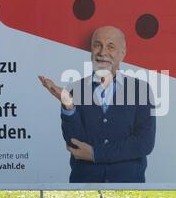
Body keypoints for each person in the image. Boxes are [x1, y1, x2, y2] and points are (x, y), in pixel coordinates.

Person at [38, 25, 156, 183]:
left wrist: (95, 153)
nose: (102, 52)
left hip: (128, 187)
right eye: (97, 45)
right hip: (84, 188)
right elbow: (75, 144)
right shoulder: (74, 89)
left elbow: (144, 144)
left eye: (110, 46)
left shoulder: (141, 89)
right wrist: (68, 105)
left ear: (123, 53)